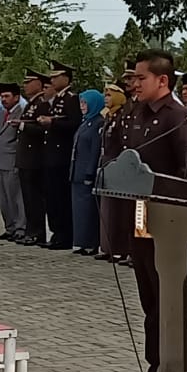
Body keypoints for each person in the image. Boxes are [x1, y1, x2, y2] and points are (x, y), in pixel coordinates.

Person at [118, 49, 187, 372]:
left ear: (163, 81)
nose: (135, 84)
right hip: (139, 216)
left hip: (168, 222)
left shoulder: (178, 117)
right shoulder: (136, 112)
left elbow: (186, 171)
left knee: (167, 301)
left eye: (141, 78)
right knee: (149, 298)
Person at [40, 60, 80, 249]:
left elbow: (73, 124)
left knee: (61, 198)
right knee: (52, 198)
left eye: (56, 77)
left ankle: (65, 235)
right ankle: (56, 232)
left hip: (62, 156)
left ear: (66, 78)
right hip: (51, 155)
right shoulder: (56, 98)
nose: (52, 80)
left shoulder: (71, 99)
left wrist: (52, 123)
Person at [96, 79, 131, 264]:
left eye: (109, 95)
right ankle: (108, 246)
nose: (106, 98)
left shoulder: (121, 117)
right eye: (105, 95)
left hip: (117, 166)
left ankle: (120, 248)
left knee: (118, 211)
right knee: (107, 209)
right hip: (106, 164)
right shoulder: (108, 116)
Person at [16, 70, 50, 246]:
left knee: (34, 198)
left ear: (38, 83)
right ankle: (31, 230)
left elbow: (42, 129)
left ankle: (37, 232)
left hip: (34, 158)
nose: (25, 85)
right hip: (25, 157)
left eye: (29, 82)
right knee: (28, 198)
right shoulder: (31, 103)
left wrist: (21, 125)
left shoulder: (42, 103)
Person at [71, 89, 104, 256]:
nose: (82, 106)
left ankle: (90, 242)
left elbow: (95, 150)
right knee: (79, 211)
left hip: (86, 173)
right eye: (81, 103)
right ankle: (80, 242)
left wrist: (90, 172)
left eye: (85, 103)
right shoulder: (85, 122)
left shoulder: (98, 123)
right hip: (77, 172)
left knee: (88, 210)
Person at [0, 82, 27, 241]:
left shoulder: (22, 112)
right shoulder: (2, 113)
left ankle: (20, 228)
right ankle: (9, 227)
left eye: (7, 96)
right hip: (0, 161)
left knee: (16, 197)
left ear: (17, 97)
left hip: (12, 160)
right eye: (2, 96)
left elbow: (20, 140)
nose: (3, 100)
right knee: (4, 198)